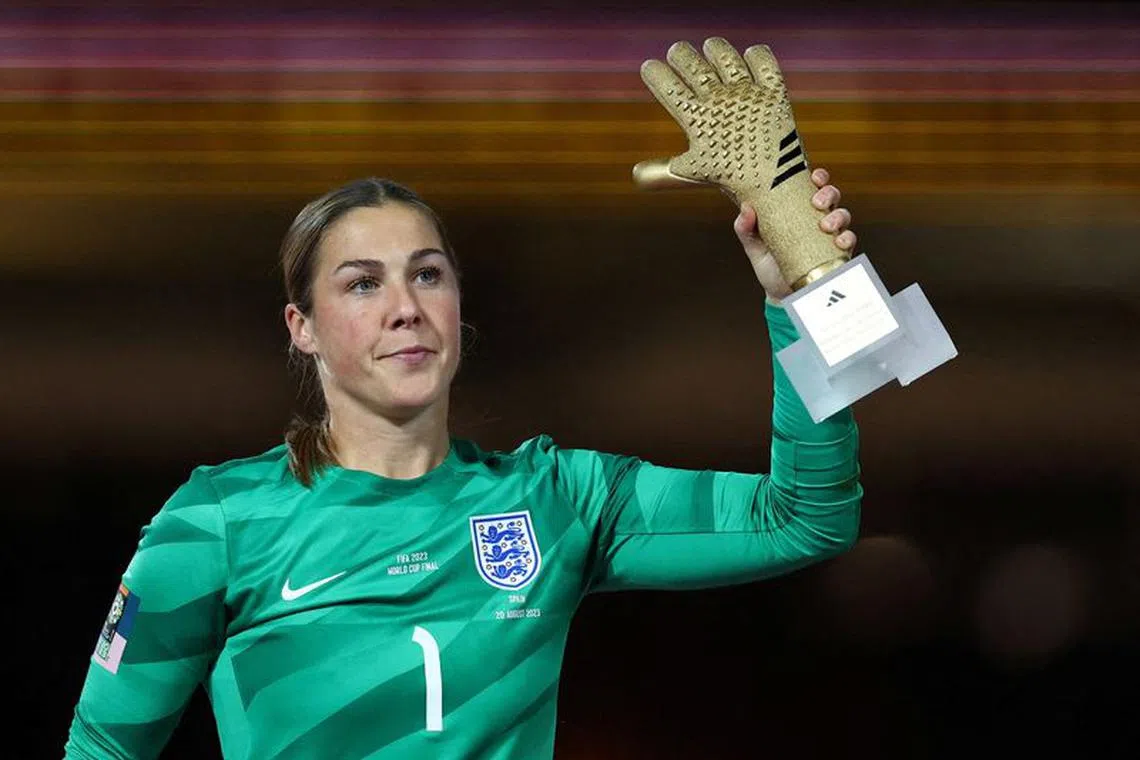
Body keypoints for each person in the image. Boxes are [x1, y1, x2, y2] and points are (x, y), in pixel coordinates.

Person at [64, 165, 862, 759]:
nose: (405, 306)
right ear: (301, 327)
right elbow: (102, 751)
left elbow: (805, 518)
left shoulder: (558, 500)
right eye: (362, 284)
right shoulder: (217, 522)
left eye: (427, 273)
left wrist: (805, 295)